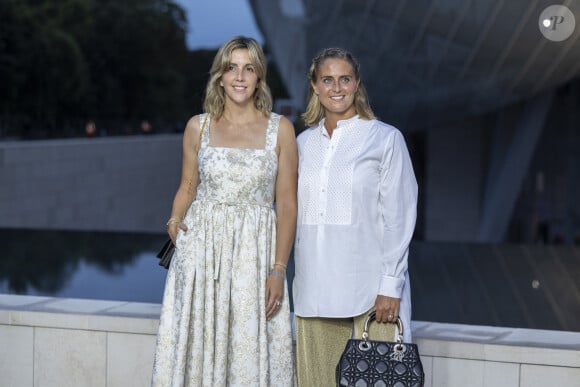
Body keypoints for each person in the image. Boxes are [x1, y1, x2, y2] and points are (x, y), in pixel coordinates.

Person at [151, 36, 298, 386]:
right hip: (202, 255)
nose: (240, 76)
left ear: (259, 76)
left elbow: (288, 204)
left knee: (248, 350)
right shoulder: (197, 126)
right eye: (231, 67)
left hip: (254, 256)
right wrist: (174, 220)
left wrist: (278, 270)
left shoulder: (281, 129)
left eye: (249, 68)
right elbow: (188, 186)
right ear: (220, 75)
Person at [292, 47, 418, 386]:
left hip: (373, 293)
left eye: (344, 79)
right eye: (327, 79)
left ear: (357, 83)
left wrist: (391, 285)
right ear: (315, 85)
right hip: (314, 290)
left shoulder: (386, 139)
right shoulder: (302, 144)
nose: (336, 88)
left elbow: (400, 217)